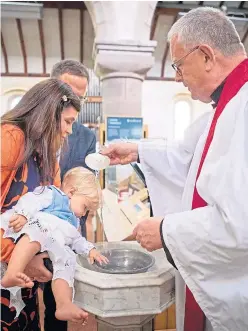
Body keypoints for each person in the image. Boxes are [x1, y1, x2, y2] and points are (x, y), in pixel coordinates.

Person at [101, 7, 248, 331]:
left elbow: (242, 221)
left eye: (179, 65)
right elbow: (186, 158)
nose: (178, 77)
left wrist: (167, 231)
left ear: (206, 55)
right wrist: (137, 149)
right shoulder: (223, 107)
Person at [1, 78, 81, 330]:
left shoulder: (47, 156)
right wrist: (17, 257)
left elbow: (51, 214)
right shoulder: (10, 138)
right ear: (48, 113)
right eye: (67, 122)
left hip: (22, 272)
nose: (69, 131)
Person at [1, 167, 108, 323]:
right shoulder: (54, 195)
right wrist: (24, 214)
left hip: (53, 244)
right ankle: (13, 271)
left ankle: (64, 303)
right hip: (38, 229)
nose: (84, 214)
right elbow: (32, 199)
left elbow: (76, 239)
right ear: (71, 192)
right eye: (85, 207)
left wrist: (89, 249)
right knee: (39, 229)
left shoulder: (73, 222)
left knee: (68, 260)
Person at [42, 59, 97, 331]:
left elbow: (86, 182)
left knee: (58, 303)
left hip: (67, 227)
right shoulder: (31, 129)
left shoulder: (85, 136)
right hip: (32, 225)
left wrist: (80, 198)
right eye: (68, 92)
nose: (74, 100)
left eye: (80, 96)